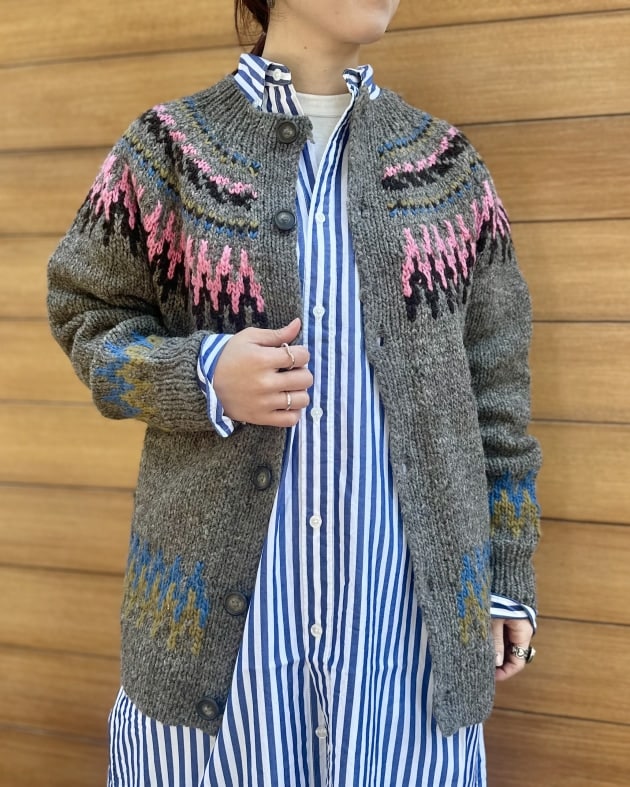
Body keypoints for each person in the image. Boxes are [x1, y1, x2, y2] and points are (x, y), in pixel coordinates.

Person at [47, 0, 543, 784]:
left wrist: (507, 574)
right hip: (220, 654)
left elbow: (497, 386)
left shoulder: (446, 167)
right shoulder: (171, 149)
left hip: (400, 642)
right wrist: (203, 373)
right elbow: (85, 317)